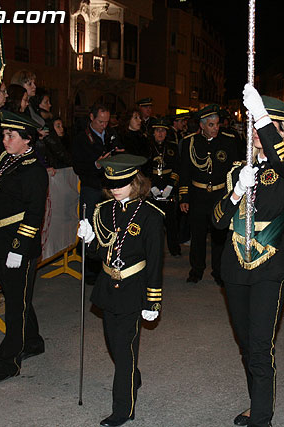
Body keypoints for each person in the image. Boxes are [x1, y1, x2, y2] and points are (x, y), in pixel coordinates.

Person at [212, 84, 284, 427]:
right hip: (235, 265)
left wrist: (264, 117)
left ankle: (262, 418)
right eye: (252, 124)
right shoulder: (239, 168)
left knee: (260, 346)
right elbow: (218, 220)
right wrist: (237, 191)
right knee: (246, 343)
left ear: (283, 132)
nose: (256, 132)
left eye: (265, 126)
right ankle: (257, 402)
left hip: (268, 264)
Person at [77, 154, 164, 427]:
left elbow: (155, 263)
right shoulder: (103, 210)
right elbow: (98, 253)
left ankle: (123, 408)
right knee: (114, 343)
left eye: (122, 183)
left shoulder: (151, 215)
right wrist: (89, 240)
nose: (115, 188)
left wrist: (153, 301)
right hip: (107, 286)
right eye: (111, 183)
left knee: (125, 350)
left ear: (135, 181)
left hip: (133, 288)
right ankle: (132, 376)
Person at [0, 110, 49, 383]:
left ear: (27, 140)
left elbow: (34, 214)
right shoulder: (4, 159)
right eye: (5, 134)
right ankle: (33, 341)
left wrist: (19, 248)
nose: (5, 140)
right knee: (17, 297)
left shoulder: (34, 170)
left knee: (14, 306)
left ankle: (8, 362)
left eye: (11, 135)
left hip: (16, 245)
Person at [178, 104, 241, 285]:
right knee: (197, 235)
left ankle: (219, 270)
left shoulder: (228, 141)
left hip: (219, 195)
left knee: (219, 235)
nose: (216, 128)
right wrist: (184, 197)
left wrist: (233, 196)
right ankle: (196, 270)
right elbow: (184, 173)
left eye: (217, 124)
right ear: (202, 125)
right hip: (198, 195)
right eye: (211, 125)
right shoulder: (190, 142)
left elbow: (235, 170)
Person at [72, 104, 123, 284]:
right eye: (100, 121)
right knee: (89, 228)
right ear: (91, 118)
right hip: (91, 188)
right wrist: (97, 164)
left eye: (106, 122)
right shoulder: (81, 139)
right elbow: (78, 166)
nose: (103, 125)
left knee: (108, 228)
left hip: (108, 188)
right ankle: (90, 272)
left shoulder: (111, 135)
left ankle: (106, 266)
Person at [148, 117, 181, 256]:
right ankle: (153, 251)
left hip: (168, 188)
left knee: (171, 223)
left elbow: (178, 168)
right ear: (153, 132)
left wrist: (170, 186)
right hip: (152, 187)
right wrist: (151, 186)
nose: (160, 133)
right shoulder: (147, 146)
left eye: (163, 131)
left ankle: (174, 249)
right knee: (153, 224)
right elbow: (143, 169)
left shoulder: (173, 146)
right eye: (157, 130)